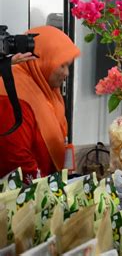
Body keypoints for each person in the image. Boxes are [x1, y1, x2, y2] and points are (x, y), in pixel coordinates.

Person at [0, 26, 80, 182]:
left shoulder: (46, 91)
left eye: (68, 66)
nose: (66, 73)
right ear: (42, 61)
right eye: (61, 65)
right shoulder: (12, 93)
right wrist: (47, 190)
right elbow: (16, 160)